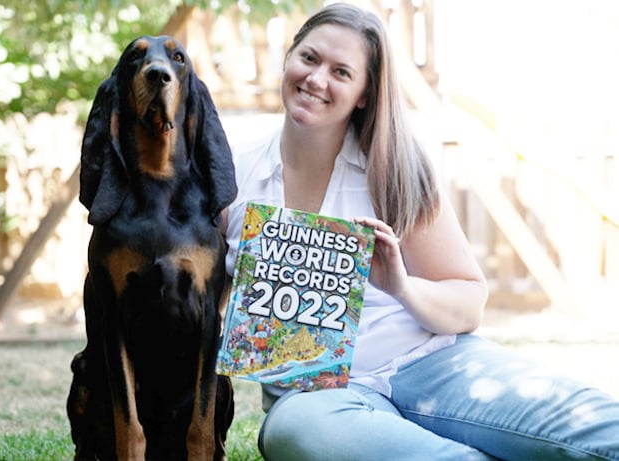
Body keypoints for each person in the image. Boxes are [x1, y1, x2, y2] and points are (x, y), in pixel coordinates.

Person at [222, 2, 619, 460]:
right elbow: (201, 295)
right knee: (293, 430)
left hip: (431, 365)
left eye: (341, 72)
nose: (316, 79)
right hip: (319, 398)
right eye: (309, 58)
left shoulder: (395, 170)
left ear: (365, 93)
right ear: (289, 57)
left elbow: (469, 300)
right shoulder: (232, 176)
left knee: (601, 428)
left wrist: (402, 288)